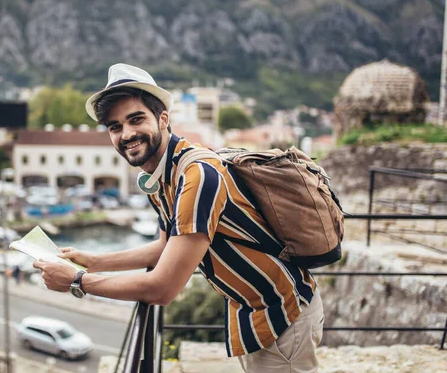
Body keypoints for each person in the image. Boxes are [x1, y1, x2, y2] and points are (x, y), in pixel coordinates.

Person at [33, 63, 324, 373]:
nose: (126, 134)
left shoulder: (196, 176)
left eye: (136, 119)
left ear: (163, 119)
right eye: (115, 127)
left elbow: (163, 288)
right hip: (253, 312)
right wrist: (92, 261)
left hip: (282, 313)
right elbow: (164, 247)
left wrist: (77, 281)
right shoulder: (160, 176)